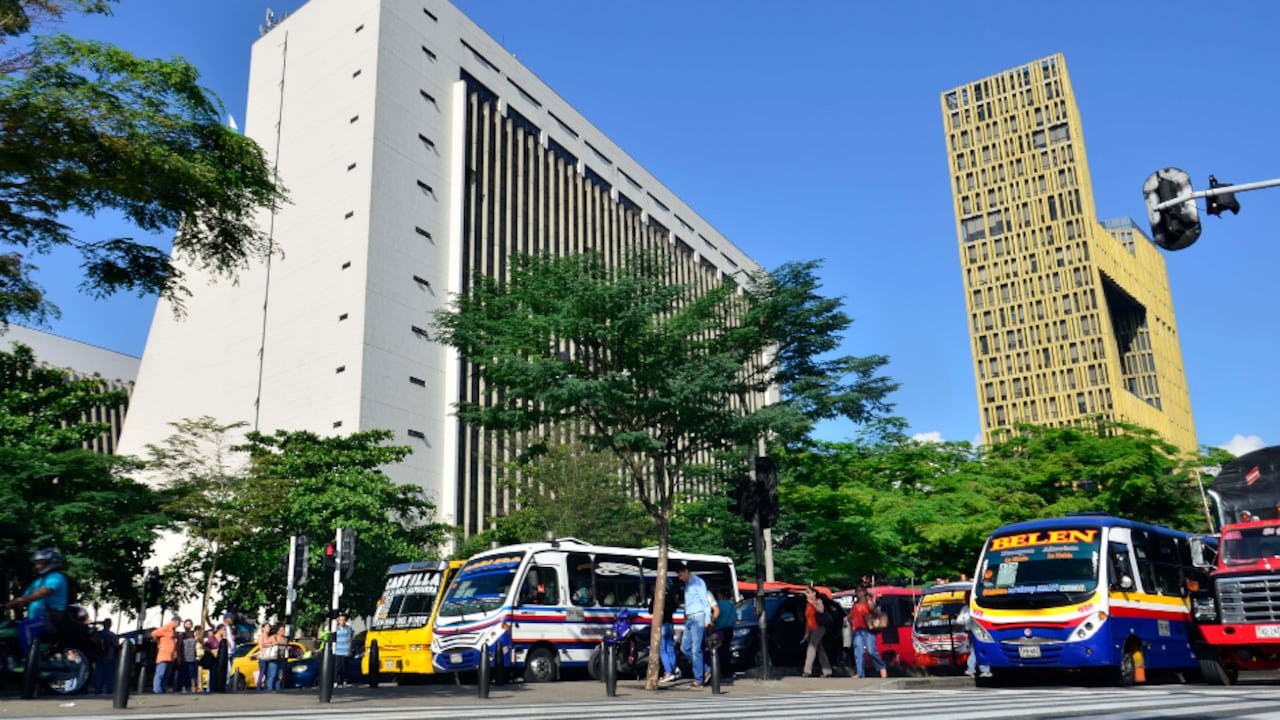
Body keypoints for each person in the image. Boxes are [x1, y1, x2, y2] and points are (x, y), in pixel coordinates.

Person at [4, 548, 73, 658]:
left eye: (39, 563)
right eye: (36, 563)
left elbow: (43, 592)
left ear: (50, 563)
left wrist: (21, 600)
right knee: (11, 627)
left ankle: (29, 660)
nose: (36, 566)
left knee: (25, 627)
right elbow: (24, 597)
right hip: (37, 619)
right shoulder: (38, 581)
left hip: (53, 619)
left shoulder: (56, 577)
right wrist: (10, 603)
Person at [676, 562, 712, 689]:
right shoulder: (687, 585)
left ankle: (699, 679)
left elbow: (704, 601)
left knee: (696, 649)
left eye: (681, 575)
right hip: (690, 618)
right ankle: (705, 669)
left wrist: (707, 619)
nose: (680, 578)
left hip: (698, 617)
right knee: (684, 648)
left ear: (686, 571)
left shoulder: (698, 582)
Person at [848, 585, 887, 679]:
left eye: (861, 591)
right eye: (857, 591)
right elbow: (852, 614)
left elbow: (873, 609)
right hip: (857, 629)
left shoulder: (867, 602)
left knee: (871, 650)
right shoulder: (855, 604)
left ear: (864, 592)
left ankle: (881, 667)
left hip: (868, 629)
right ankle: (860, 672)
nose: (859, 593)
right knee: (858, 652)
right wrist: (847, 618)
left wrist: (869, 599)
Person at [652, 580, 680, 683]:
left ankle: (668, 672)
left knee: (662, 650)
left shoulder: (657, 596)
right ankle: (672, 671)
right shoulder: (671, 597)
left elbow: (650, 610)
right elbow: (674, 608)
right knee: (671, 649)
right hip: (670, 624)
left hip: (662, 624)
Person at [801, 587, 832, 678]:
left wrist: (812, 603)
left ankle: (807, 670)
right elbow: (808, 620)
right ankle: (827, 670)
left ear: (814, 593)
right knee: (819, 649)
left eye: (808, 592)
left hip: (819, 628)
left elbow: (821, 610)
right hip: (811, 629)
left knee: (812, 647)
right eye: (806, 593)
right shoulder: (807, 605)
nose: (807, 594)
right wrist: (807, 633)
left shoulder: (818, 601)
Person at [709, 590, 737, 680]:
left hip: (719, 631)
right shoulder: (732, 606)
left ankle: (721, 671)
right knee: (726, 650)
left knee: (719, 651)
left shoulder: (718, 604)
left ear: (720, 595)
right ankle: (729, 671)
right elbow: (735, 618)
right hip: (729, 630)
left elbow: (714, 616)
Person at [959, 604, 991, 678]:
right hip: (974, 631)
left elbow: (960, 621)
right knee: (978, 650)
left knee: (975, 650)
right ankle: (983, 670)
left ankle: (973, 669)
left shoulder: (967, 608)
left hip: (977, 631)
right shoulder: (968, 608)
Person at [151, 614, 182, 693]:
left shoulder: (173, 630)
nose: (179, 625)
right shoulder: (166, 627)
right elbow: (154, 633)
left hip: (170, 656)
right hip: (164, 655)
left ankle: (163, 689)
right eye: (179, 623)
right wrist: (158, 642)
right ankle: (157, 689)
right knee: (160, 673)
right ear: (175, 621)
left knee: (166, 674)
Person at [94, 618, 117, 695]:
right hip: (109, 656)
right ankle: (109, 690)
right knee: (109, 675)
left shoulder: (98, 634)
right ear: (110, 625)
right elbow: (116, 645)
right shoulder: (112, 635)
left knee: (99, 674)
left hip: (99, 656)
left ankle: (97, 690)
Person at [333, 613, 355, 687]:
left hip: (345, 650)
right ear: (338, 621)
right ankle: (337, 681)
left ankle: (345, 680)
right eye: (341, 620)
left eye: (343, 620)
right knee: (337, 667)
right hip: (338, 650)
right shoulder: (336, 629)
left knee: (344, 666)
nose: (342, 621)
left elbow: (350, 639)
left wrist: (350, 649)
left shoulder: (348, 628)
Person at [177, 619, 198, 692]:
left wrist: (197, 638)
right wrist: (179, 657)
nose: (188, 625)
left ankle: (191, 688)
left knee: (192, 674)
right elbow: (178, 646)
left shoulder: (194, 634)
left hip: (192, 657)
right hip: (184, 657)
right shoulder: (182, 635)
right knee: (184, 674)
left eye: (189, 624)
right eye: (187, 624)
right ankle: (182, 689)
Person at [257, 623, 276, 690]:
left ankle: (266, 687)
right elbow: (261, 647)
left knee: (268, 673)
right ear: (263, 628)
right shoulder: (261, 637)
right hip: (263, 657)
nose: (269, 629)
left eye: (269, 627)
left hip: (269, 657)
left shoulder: (269, 637)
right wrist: (270, 645)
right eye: (267, 627)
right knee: (262, 673)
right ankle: (258, 687)